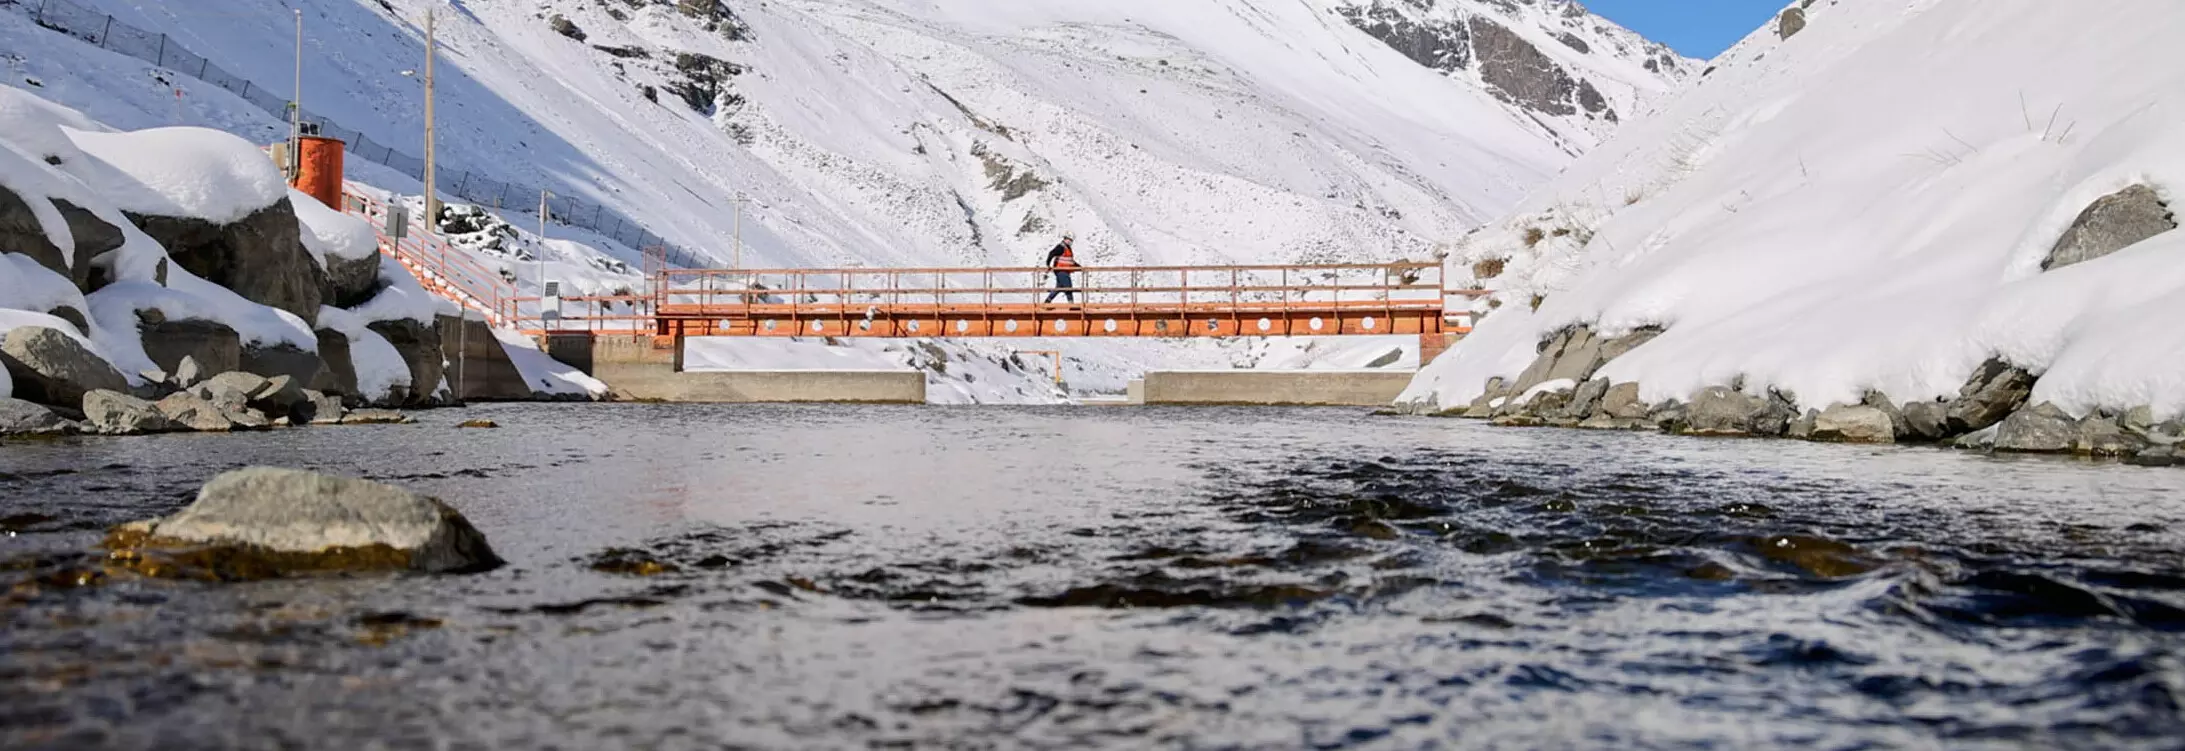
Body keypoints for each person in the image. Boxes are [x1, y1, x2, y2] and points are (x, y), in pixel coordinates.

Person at [1043, 234, 1082, 304]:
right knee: (1068, 287)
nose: (1071, 242)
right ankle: (1071, 305)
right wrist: (1048, 264)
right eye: (1069, 240)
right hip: (1061, 270)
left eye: (1071, 240)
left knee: (1059, 288)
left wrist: (1079, 267)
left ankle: (1047, 301)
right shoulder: (1061, 247)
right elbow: (1051, 253)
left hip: (1064, 270)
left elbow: (1070, 260)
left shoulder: (1067, 248)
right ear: (1065, 239)